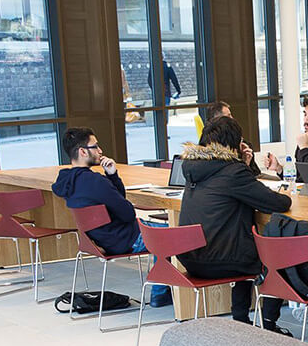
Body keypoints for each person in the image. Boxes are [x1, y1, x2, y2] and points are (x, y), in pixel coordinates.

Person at [177, 116, 293, 332]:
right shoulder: (232, 171)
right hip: (219, 260)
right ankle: (268, 323)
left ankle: (241, 320)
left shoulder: (193, 168)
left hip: (190, 260)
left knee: (243, 244)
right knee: (272, 253)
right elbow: (276, 203)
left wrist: (243, 166)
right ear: (233, 144)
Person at [53, 127, 171, 305]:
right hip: (124, 239)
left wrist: (112, 175)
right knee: (172, 234)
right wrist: (112, 179)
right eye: (96, 146)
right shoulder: (95, 181)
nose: (100, 151)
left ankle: (163, 290)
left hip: (102, 239)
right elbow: (127, 212)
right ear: (83, 151)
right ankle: (160, 293)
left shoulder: (67, 180)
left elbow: (118, 203)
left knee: (165, 230)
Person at [205, 100, 261, 175]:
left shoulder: (243, 145)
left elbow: (256, 173)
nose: (233, 119)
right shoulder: (210, 152)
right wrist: (244, 164)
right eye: (228, 116)